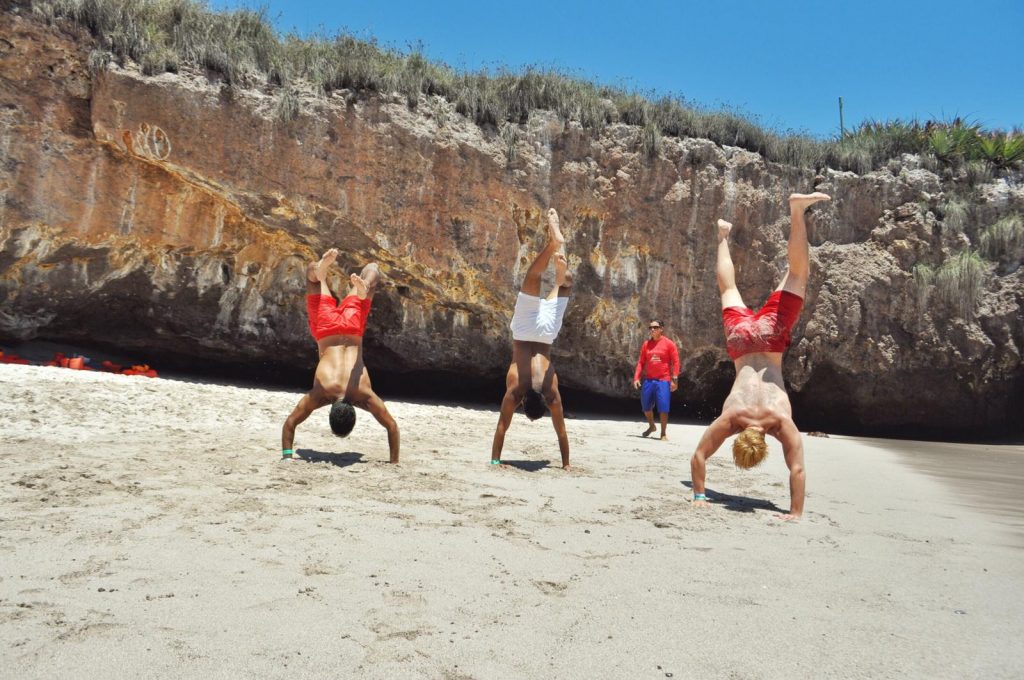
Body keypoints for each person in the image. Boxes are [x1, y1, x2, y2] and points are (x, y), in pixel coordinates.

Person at [690, 193, 830, 520]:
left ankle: (797, 212)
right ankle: (722, 236)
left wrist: (795, 513)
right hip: (742, 342)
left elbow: (797, 470)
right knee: (727, 289)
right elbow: (697, 457)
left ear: (764, 442)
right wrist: (698, 494)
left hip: (770, 342)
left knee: (797, 275)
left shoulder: (780, 423)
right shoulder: (731, 419)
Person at [280, 248, 400, 463]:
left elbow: (392, 427)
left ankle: (363, 287)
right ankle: (319, 270)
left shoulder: (365, 394)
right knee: (313, 278)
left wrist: (395, 461)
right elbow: (290, 423)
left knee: (372, 270)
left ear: (354, 413)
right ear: (329, 412)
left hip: (353, 330)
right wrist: (287, 456)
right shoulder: (320, 394)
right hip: (326, 329)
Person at [490, 208, 573, 471]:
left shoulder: (552, 394)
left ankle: (561, 270)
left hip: (546, 335)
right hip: (525, 334)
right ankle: (553, 246)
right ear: (523, 402)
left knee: (565, 287)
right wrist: (495, 459)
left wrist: (566, 464)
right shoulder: (516, 391)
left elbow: (561, 432)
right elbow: (502, 427)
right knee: (533, 278)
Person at [632, 319, 680, 440]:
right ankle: (652, 426)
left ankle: (663, 433)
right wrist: (636, 377)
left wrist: (675, 380)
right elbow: (641, 362)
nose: (652, 329)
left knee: (663, 408)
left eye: (655, 327)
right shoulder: (646, 344)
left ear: (661, 329)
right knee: (646, 407)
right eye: (650, 328)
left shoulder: (669, 344)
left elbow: (676, 362)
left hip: (663, 380)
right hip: (649, 380)